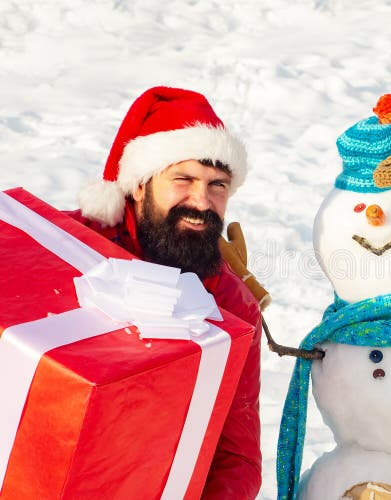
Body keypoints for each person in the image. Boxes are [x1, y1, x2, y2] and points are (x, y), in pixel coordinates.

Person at [68, 86, 262, 499]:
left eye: (217, 185)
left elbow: (237, 455)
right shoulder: (70, 248)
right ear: (139, 185)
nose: (201, 201)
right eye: (184, 179)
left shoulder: (231, 307)